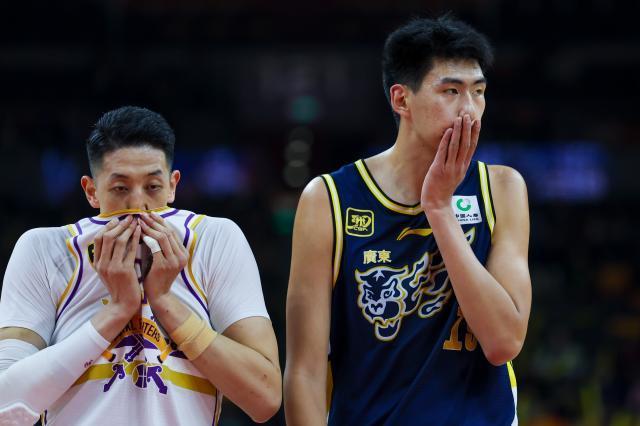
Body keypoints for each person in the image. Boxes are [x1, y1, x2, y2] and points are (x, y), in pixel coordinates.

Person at [284, 15, 531, 425]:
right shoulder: (328, 199)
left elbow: (503, 341)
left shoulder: (502, 189)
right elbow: (304, 373)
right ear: (401, 100)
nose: (469, 109)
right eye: (451, 91)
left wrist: (439, 209)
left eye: (478, 92)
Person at [0, 106, 281, 425]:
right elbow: (5, 403)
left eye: (152, 187)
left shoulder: (213, 238)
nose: (137, 204)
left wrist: (165, 302)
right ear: (91, 191)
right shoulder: (46, 248)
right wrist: (117, 311)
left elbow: (265, 398)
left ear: (173, 185)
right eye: (120, 188)